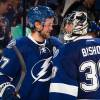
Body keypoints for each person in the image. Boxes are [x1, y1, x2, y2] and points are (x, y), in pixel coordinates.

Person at [0, 5, 63, 100]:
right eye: (49, 25)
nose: (51, 28)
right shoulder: (17, 46)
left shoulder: (56, 44)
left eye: (52, 24)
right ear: (37, 24)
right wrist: (9, 93)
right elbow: (2, 75)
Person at [49, 11, 100, 99]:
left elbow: (62, 94)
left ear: (80, 26)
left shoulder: (66, 50)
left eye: (69, 24)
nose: (65, 27)